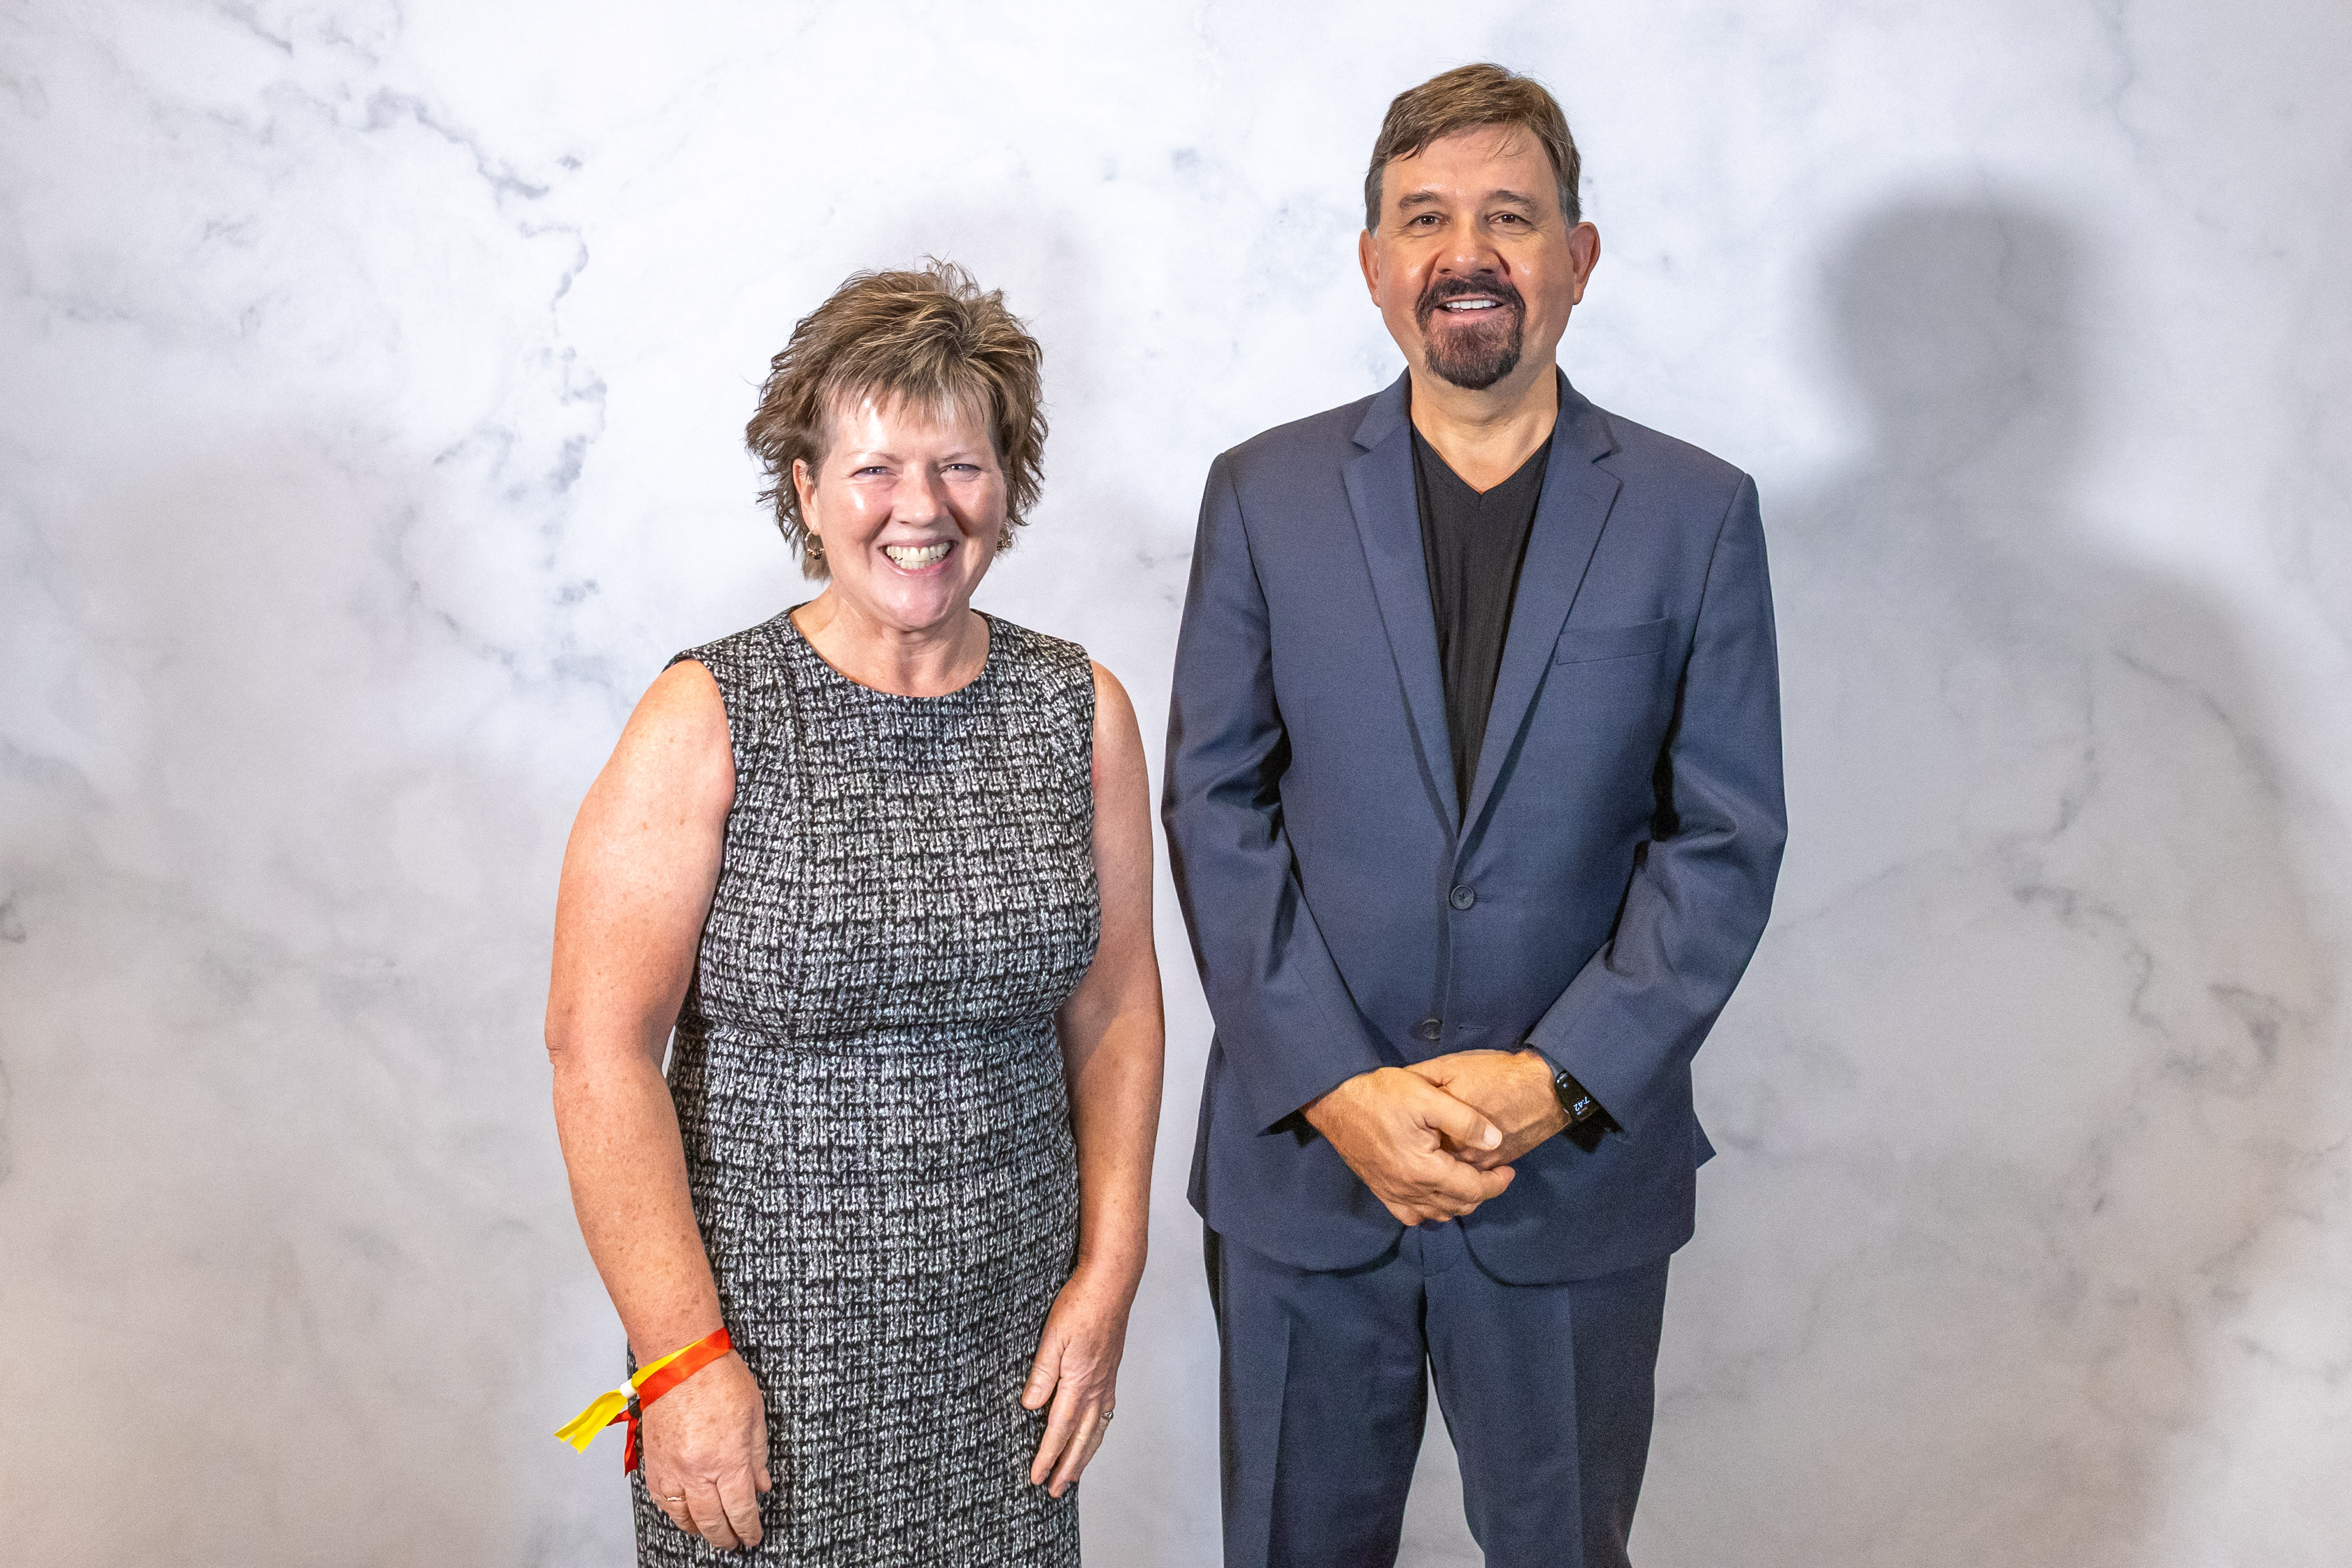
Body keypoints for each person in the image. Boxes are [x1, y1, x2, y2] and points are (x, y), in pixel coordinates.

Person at [1163, 64, 1786, 1568]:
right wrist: (1338, 1087)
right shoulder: (1260, 494)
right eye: (1424, 217)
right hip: (1306, 1177)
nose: (1466, 252)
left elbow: (1721, 841)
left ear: (1577, 256)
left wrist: (1554, 1082)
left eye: (1509, 217)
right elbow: (1212, 806)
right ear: (1373, 262)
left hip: (1566, 1179)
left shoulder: (1696, 513)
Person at [548, 261, 1165, 1565]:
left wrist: (1110, 1274)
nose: (920, 508)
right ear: (806, 489)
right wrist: (679, 1358)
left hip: (1010, 1368)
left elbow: (1115, 1006)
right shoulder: (708, 713)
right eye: (876, 468)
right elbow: (598, 1050)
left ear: (1007, 483)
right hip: (753, 1370)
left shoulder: (1080, 711)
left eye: (961, 465)